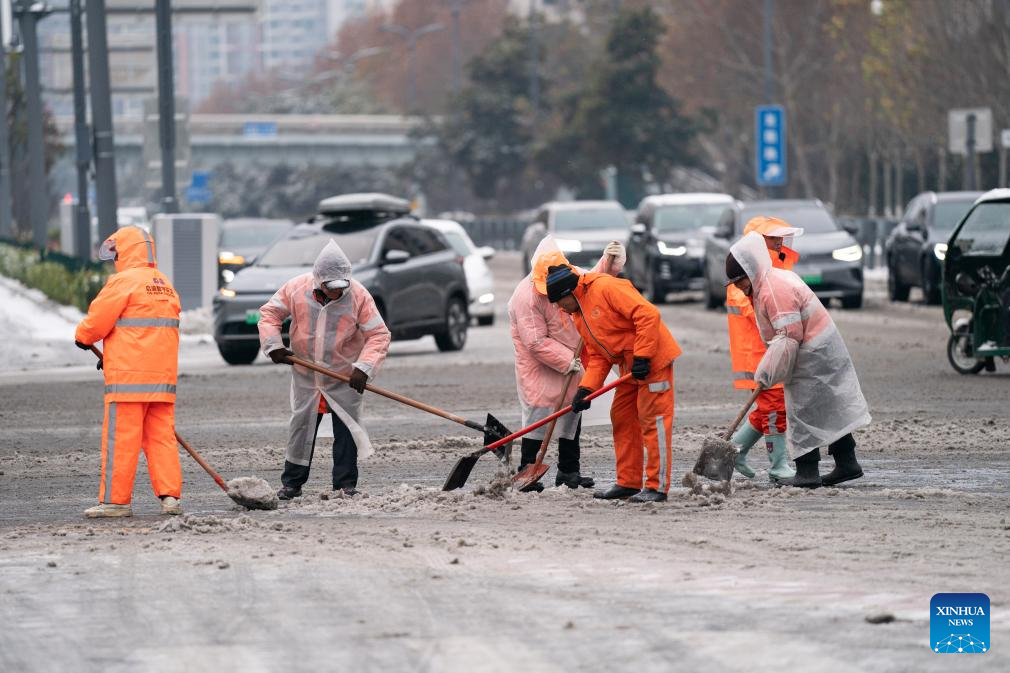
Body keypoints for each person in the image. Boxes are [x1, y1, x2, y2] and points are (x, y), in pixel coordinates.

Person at [725, 232, 870, 488]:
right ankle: (847, 463)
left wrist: (768, 371)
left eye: (739, 281)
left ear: (750, 270)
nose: (738, 287)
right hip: (818, 349)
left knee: (802, 411)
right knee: (827, 408)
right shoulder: (769, 282)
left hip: (812, 354)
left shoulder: (773, 289)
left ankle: (807, 472)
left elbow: (789, 336)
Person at [259, 240, 391, 500]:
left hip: (344, 375)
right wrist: (274, 345)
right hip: (307, 374)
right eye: (332, 287)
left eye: (342, 286)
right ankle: (292, 483)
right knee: (301, 426)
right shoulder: (296, 288)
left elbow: (379, 334)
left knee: (347, 428)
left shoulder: (359, 295)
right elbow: (270, 314)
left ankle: (345, 484)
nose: (338, 291)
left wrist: (364, 368)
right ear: (319, 281)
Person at [545, 262, 682, 503]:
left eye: (558, 301)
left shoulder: (607, 288)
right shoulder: (578, 315)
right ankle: (628, 482)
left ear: (568, 292)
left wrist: (643, 356)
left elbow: (648, 314)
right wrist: (586, 389)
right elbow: (599, 355)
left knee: (654, 421)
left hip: (653, 361)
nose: (558, 308)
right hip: (630, 367)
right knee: (622, 417)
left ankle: (657, 487)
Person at [74, 226, 183, 518]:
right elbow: (146, 330)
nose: (114, 260)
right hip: (162, 380)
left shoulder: (123, 282)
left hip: (128, 380)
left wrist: (82, 337)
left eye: (116, 254)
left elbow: (97, 322)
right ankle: (170, 497)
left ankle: (116, 502)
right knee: (161, 439)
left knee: (121, 441)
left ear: (124, 252)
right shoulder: (164, 284)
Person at [508, 236, 626, 491]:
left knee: (573, 408)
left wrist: (608, 262)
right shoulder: (525, 296)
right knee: (539, 414)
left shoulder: (570, 275)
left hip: (574, 356)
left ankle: (569, 471)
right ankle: (527, 469)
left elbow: (592, 281)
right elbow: (535, 342)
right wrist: (566, 360)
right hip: (538, 365)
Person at [725, 216, 803, 482]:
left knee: (768, 408)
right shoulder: (744, 274)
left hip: (774, 354)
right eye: (773, 238)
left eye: (781, 237)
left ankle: (735, 451)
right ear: (758, 242)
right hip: (759, 357)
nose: (780, 242)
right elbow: (762, 312)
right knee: (774, 409)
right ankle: (778, 466)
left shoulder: (775, 267)